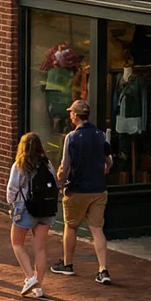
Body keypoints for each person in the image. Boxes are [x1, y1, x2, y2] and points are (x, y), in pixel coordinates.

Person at [54, 98, 113, 284]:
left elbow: (65, 166)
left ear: (77, 116)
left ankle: (68, 264)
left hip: (77, 189)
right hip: (98, 189)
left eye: (71, 112)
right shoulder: (100, 135)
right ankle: (103, 270)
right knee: (97, 229)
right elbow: (109, 161)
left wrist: (59, 183)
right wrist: (105, 168)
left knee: (71, 226)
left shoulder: (71, 138)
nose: (70, 115)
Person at [7, 131, 58, 299]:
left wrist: (11, 205)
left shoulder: (20, 165)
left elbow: (12, 189)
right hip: (46, 210)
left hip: (26, 209)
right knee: (40, 248)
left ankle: (30, 278)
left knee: (17, 242)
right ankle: (39, 287)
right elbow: (55, 184)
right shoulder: (47, 163)